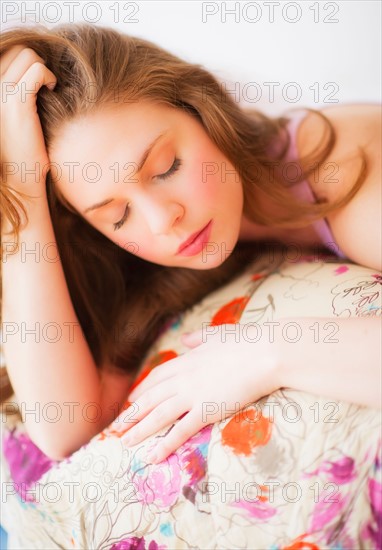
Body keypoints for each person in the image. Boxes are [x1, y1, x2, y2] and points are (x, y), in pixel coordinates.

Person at [0, 23, 380, 464]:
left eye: (166, 167)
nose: (163, 221)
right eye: (117, 216)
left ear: (203, 107)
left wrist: (267, 353)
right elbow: (64, 428)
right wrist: (20, 199)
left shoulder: (351, 170)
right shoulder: (163, 257)